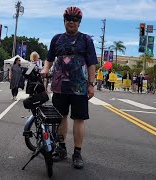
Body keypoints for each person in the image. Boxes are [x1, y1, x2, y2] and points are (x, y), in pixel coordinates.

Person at [41, 6, 97, 169]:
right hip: (59, 87)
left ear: (79, 22)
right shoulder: (56, 39)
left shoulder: (86, 40)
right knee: (60, 117)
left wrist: (91, 84)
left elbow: (91, 63)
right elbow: (49, 59)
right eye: (68, 19)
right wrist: (45, 69)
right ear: (64, 21)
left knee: (79, 119)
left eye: (75, 19)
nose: (71, 22)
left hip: (80, 87)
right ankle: (61, 148)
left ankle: (77, 153)